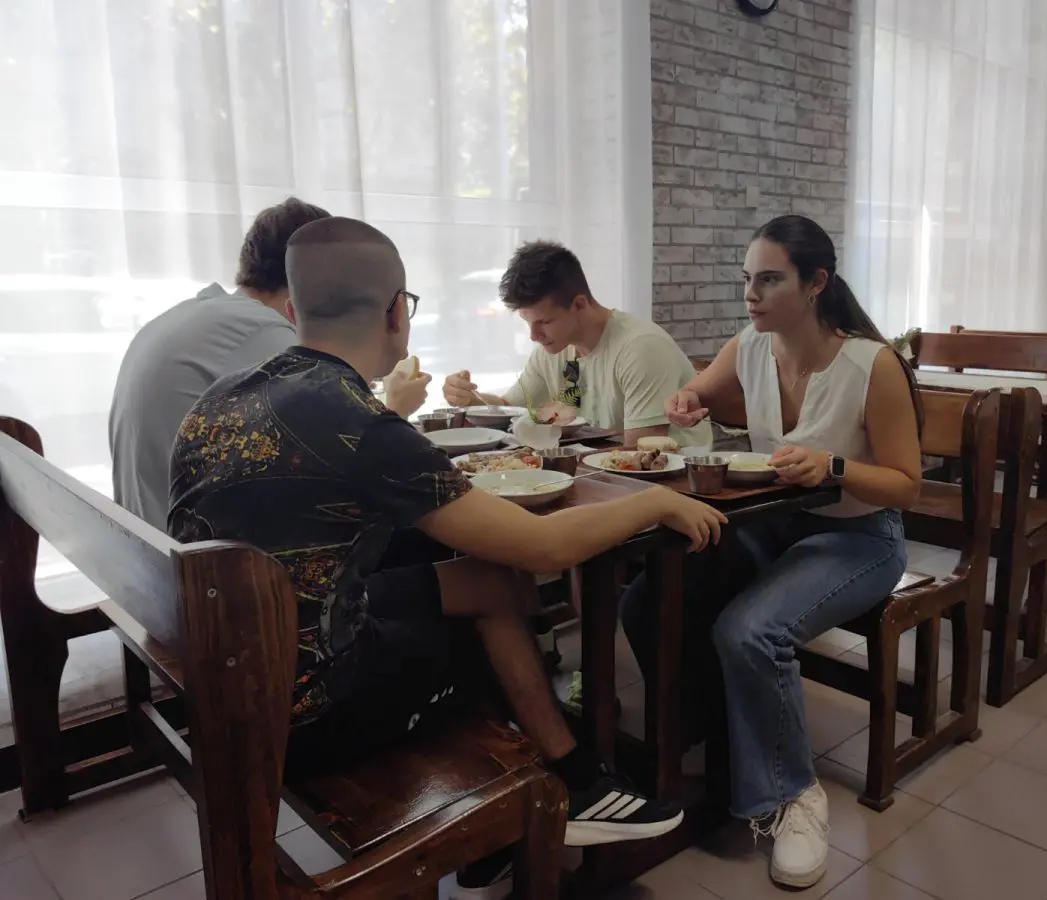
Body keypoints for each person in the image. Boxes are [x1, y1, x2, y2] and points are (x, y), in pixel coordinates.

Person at [168, 217, 727, 894]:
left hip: (226, 671)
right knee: (479, 609)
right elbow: (543, 547)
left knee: (483, 582)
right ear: (395, 313)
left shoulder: (222, 397)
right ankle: (529, 795)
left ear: (292, 310)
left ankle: (562, 782)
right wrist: (655, 503)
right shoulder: (361, 422)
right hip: (305, 708)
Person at [620, 215, 923, 890]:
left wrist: (834, 465)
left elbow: (907, 485)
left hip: (860, 536)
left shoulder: (872, 365)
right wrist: (687, 401)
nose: (751, 295)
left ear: (816, 283)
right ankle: (720, 737)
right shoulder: (751, 345)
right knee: (647, 599)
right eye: (747, 279)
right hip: (775, 524)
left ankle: (793, 794)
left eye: (769, 280)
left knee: (750, 629)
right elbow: (696, 392)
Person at [109, 197, 333, 529]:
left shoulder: (195, 315)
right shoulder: (262, 331)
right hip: (192, 553)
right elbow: (332, 458)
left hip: (147, 540)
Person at [441, 241, 712, 450]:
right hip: (600, 474)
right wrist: (470, 399)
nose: (534, 335)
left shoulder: (641, 348)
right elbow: (509, 407)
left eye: (544, 322)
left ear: (580, 305)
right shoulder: (554, 348)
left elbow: (642, 452)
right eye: (527, 322)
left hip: (673, 485)